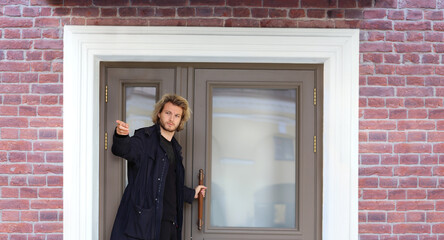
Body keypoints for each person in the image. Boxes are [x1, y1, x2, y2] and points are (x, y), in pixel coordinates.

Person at [110, 94, 207, 240]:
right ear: (159, 113)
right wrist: (121, 136)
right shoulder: (144, 138)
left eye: (176, 115)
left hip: (170, 224)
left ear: (180, 120)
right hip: (146, 224)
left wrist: (191, 193)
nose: (171, 118)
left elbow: (169, 184)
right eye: (168, 113)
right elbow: (124, 150)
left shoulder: (175, 149)